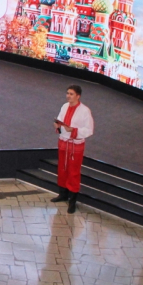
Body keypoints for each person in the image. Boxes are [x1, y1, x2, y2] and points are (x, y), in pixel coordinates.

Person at [52, 85, 94, 214]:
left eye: (71, 94)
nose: (68, 96)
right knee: (62, 168)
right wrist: (57, 125)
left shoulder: (85, 111)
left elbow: (89, 130)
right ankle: (63, 194)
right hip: (64, 142)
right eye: (67, 93)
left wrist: (74, 130)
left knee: (73, 172)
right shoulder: (64, 106)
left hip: (75, 145)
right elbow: (60, 120)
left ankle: (72, 201)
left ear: (78, 96)